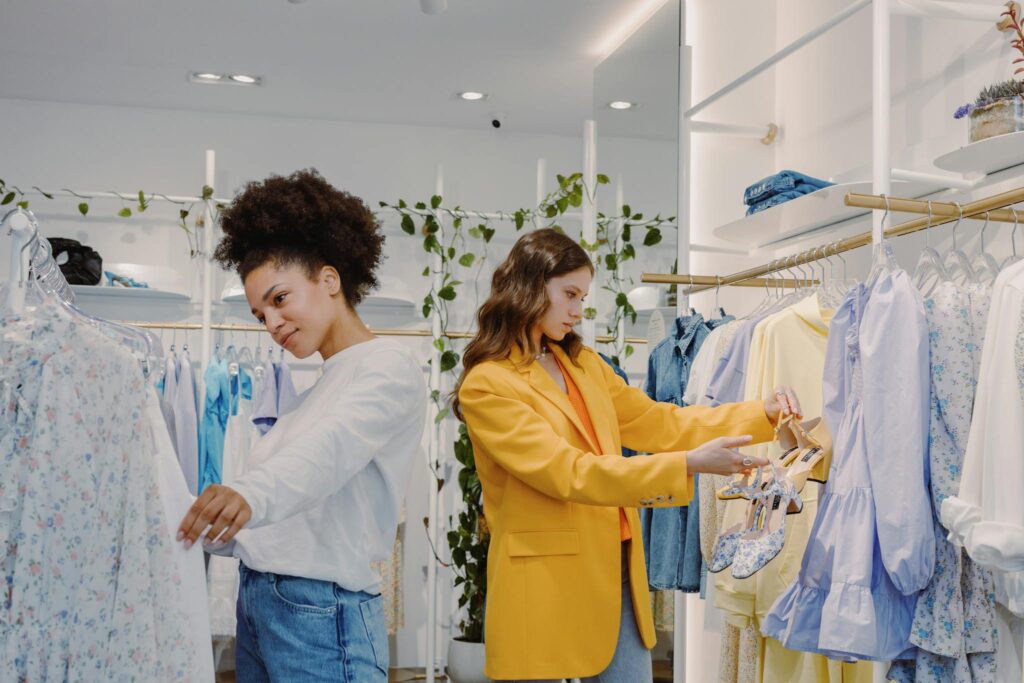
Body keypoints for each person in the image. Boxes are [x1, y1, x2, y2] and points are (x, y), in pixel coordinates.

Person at [453, 228, 800, 682]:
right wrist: (688, 465)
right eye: (570, 294)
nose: (578, 310)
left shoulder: (582, 365)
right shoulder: (488, 385)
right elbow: (568, 473)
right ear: (532, 288)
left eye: (583, 297)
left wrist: (762, 414)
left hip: (615, 567)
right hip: (540, 582)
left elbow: (661, 422)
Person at [177, 169, 427, 682]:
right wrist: (210, 527)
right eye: (259, 314)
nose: (271, 325)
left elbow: (327, 454)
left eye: (279, 298)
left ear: (330, 279)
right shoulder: (311, 396)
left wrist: (247, 494)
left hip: (320, 613)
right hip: (264, 600)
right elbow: (288, 515)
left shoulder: (388, 367)